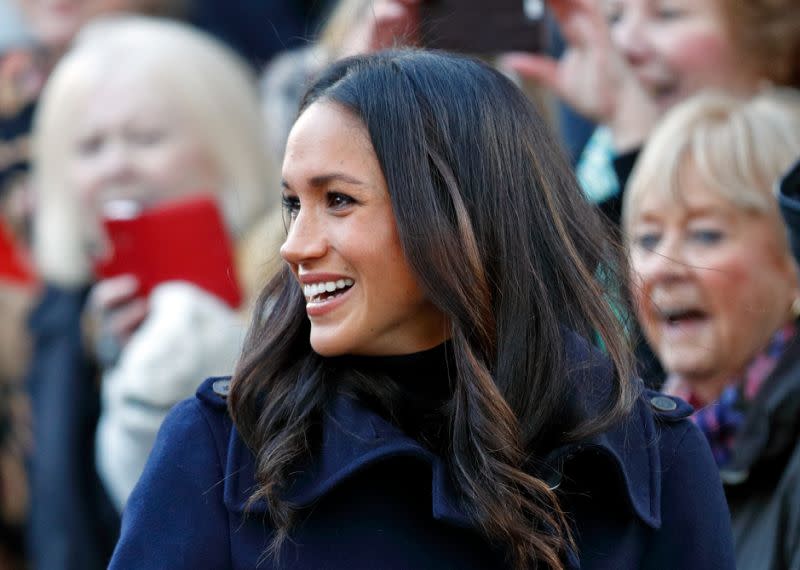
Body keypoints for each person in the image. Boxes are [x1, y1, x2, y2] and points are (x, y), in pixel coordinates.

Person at [110, 50, 734, 569]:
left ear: (460, 215)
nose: (295, 246)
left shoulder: (654, 456)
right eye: (294, 204)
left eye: (338, 200)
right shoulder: (220, 448)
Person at [26, 15, 279, 569]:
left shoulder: (290, 273)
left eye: (146, 138)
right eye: (90, 146)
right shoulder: (66, 311)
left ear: (224, 140)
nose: (117, 166)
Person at [624, 90, 800, 569]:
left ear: (793, 263)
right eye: (647, 237)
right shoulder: (635, 443)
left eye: (705, 234)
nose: (664, 267)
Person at [504, 0, 800, 223]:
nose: (624, 42)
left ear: (765, 39)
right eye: (615, 16)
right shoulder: (597, 156)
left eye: (667, 13)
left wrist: (635, 142)